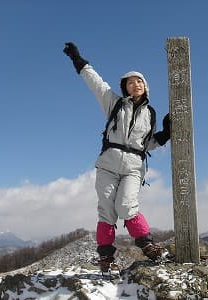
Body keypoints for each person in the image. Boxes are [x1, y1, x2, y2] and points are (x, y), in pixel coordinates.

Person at [63, 42, 171, 272]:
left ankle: (148, 245)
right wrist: (78, 61)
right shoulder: (115, 104)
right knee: (107, 211)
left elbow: (147, 143)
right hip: (108, 165)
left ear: (145, 86)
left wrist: (165, 135)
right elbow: (97, 84)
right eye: (130, 82)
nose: (135, 84)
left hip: (133, 167)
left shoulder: (150, 114)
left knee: (126, 205)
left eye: (139, 81)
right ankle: (106, 259)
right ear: (125, 88)